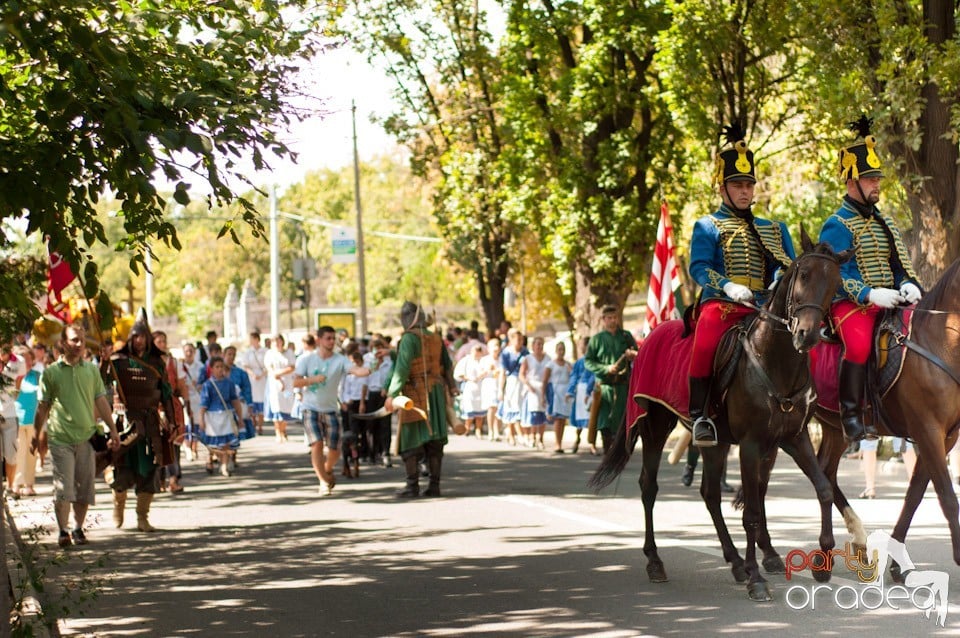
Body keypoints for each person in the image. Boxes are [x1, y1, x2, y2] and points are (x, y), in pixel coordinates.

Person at [687, 122, 796, 447]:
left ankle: (803, 404)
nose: (745, 190)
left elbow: (789, 265)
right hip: (722, 304)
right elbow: (699, 267)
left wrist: (780, 277)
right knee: (705, 338)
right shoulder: (708, 225)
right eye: (737, 185)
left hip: (764, 304)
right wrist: (727, 286)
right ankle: (700, 415)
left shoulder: (774, 228)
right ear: (722, 188)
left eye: (749, 184)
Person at [819, 115, 922, 443]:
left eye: (877, 177)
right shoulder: (836, 224)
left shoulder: (885, 222)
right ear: (852, 182)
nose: (877, 183)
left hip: (891, 300)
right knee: (861, 344)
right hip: (851, 305)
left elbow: (900, 265)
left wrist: (908, 283)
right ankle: (851, 413)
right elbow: (837, 275)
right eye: (870, 178)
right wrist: (868, 294)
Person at [31, 325, 121, 547]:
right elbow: (43, 407)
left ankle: (78, 528)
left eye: (81, 340)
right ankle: (63, 531)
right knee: (64, 487)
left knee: (85, 487)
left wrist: (113, 429)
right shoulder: (51, 373)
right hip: (61, 438)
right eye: (74, 340)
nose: (79, 344)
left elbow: (101, 400)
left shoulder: (90, 370)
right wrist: (35, 436)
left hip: (87, 438)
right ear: (62, 343)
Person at [106, 312, 179, 532]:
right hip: (125, 423)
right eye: (136, 336)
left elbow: (166, 394)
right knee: (121, 471)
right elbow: (102, 386)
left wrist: (173, 422)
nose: (139, 341)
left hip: (149, 424)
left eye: (143, 337)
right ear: (131, 338)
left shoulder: (157, 362)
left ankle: (142, 518)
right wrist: (103, 363)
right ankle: (118, 505)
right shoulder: (118, 360)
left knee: (149, 472)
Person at [385, 301, 456, 498]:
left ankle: (412, 485)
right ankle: (434, 485)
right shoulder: (435, 337)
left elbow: (402, 368)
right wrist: (451, 386)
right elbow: (447, 365)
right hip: (437, 392)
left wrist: (392, 394)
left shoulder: (409, 338)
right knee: (434, 443)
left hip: (415, 394)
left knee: (410, 440)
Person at [293, 326, 371, 496]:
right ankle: (323, 481)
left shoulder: (340, 360)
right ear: (319, 340)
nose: (331, 341)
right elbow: (296, 382)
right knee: (317, 444)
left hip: (330, 409)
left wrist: (368, 369)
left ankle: (326, 469)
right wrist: (312, 380)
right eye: (328, 338)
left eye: (333, 338)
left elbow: (355, 370)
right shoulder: (307, 359)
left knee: (335, 449)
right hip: (310, 407)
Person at [584, 305, 638, 453]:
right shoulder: (597, 339)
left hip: (622, 385)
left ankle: (619, 451)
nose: (613, 320)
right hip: (604, 386)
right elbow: (588, 361)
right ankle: (608, 450)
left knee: (621, 419)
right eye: (609, 318)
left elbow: (638, 354)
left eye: (615, 317)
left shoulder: (626, 336)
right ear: (603, 320)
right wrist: (606, 368)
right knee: (604, 420)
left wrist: (632, 354)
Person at [153, 330, 187, 494]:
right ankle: (159, 480)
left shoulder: (174, 363)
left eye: (163, 341)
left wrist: (187, 404)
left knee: (174, 443)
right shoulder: (148, 363)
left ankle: (173, 479)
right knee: (157, 444)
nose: (162, 344)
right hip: (154, 406)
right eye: (158, 341)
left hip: (172, 405)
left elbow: (182, 385)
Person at [197, 356, 243, 477]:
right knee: (215, 444)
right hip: (212, 417)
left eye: (221, 366)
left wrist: (240, 418)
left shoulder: (229, 383)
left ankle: (224, 466)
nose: (219, 369)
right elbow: (203, 404)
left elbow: (235, 400)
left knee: (226, 443)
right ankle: (215, 460)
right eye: (217, 367)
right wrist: (201, 419)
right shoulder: (207, 385)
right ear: (211, 369)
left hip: (226, 415)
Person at [14, 346, 42, 497]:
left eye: (29, 358)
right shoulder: (12, 376)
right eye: (23, 359)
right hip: (16, 419)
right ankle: (16, 485)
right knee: (18, 453)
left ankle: (29, 485)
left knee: (31, 453)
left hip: (33, 420)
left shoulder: (37, 375)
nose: (27, 362)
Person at [263, 334, 297, 443]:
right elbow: (270, 369)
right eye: (274, 342)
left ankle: (283, 430)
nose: (277, 344)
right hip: (275, 386)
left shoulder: (289, 353)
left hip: (287, 385)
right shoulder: (269, 354)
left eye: (278, 341)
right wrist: (277, 378)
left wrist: (280, 373)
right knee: (276, 407)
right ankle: (278, 431)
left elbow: (292, 367)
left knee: (287, 406)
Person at [565, 336, 595, 454]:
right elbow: (574, 377)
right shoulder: (579, 362)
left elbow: (594, 375)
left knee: (592, 417)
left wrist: (589, 389)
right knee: (581, 415)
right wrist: (570, 391)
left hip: (591, 390)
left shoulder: (593, 361)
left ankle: (592, 443)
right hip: (581, 390)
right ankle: (577, 439)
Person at [498, 329, 528, 446]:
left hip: (522, 382)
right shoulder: (506, 353)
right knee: (510, 406)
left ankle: (519, 433)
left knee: (519, 407)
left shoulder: (525, 352)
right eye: (517, 339)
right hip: (511, 381)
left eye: (521, 340)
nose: (520, 342)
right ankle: (511, 434)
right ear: (511, 339)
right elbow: (502, 371)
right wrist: (500, 389)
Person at [1, 343, 23, 499]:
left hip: (10, 414)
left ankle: (9, 486)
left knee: (11, 455)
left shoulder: (18, 362)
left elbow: (19, 384)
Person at [519, 336, 549, 449]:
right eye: (537, 344)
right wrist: (528, 384)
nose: (539, 346)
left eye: (541, 344)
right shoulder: (528, 358)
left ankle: (541, 438)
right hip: (532, 387)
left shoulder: (548, 358)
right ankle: (532, 436)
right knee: (534, 413)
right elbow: (521, 374)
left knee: (543, 413)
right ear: (533, 346)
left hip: (543, 386)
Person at [239, 331, 268, 435]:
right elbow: (245, 365)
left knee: (261, 401)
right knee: (253, 399)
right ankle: (254, 424)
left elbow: (268, 365)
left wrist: (262, 374)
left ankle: (260, 425)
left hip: (262, 377)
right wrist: (252, 374)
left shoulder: (265, 351)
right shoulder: (248, 352)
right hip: (252, 378)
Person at [545, 341, 572, 453]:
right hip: (555, 391)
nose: (561, 352)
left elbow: (572, 378)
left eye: (563, 349)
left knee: (563, 419)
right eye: (559, 349)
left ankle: (560, 442)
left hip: (565, 392)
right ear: (556, 351)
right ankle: (557, 443)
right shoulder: (550, 364)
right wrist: (544, 395)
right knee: (557, 418)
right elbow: (545, 380)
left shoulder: (568, 364)